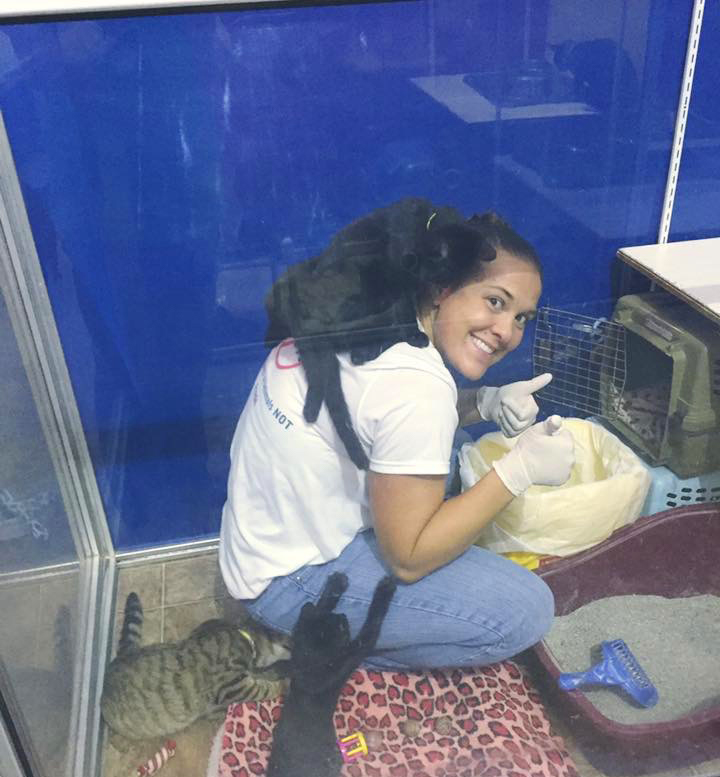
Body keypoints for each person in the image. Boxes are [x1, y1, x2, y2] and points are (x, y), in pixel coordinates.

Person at [218, 203, 574, 670]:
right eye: (495, 301)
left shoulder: (362, 317)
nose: (507, 331)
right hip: (289, 585)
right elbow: (408, 559)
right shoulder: (416, 387)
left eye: (522, 317)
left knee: (443, 464)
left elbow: (379, 419)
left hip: (254, 552)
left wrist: (485, 401)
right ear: (442, 289)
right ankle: (311, 650)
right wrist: (518, 470)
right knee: (526, 611)